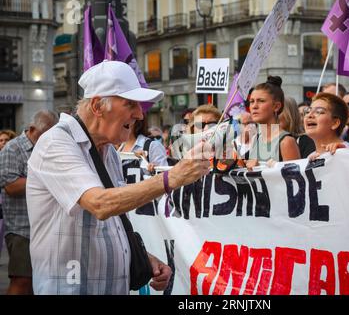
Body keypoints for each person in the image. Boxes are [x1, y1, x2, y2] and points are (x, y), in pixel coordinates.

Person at [26, 60, 211, 295]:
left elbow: (110, 221)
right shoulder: (56, 142)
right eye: (130, 104)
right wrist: (172, 178)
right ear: (97, 106)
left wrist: (141, 256)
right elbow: (100, 204)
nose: (139, 113)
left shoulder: (109, 151)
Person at [0, 110, 58, 295]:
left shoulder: (50, 148)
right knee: (22, 280)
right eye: (47, 132)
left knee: (40, 281)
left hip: (46, 227)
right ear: (32, 129)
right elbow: (10, 186)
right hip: (21, 229)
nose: (51, 137)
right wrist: (46, 179)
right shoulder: (13, 148)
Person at [246, 76, 300, 169]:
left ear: (276, 106)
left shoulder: (286, 142)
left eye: (261, 101)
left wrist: (260, 168)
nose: (254, 106)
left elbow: (295, 181)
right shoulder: (255, 139)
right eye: (251, 101)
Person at [303, 92, 349, 159]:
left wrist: (345, 153)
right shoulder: (310, 157)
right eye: (307, 111)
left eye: (319, 111)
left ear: (335, 123)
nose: (309, 115)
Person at [0, 130, 17, 261]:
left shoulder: (14, 157)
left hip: (8, 204)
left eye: (6, 140)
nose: (3, 143)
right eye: (1, 140)